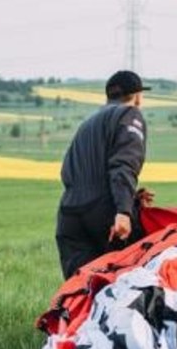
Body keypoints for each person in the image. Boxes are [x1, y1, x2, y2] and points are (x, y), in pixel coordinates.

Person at [56, 70, 151, 279]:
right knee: (125, 279)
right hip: (103, 211)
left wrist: (130, 197)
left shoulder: (88, 124)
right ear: (136, 96)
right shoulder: (129, 114)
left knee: (80, 286)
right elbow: (124, 164)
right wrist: (124, 210)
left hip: (70, 212)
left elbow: (70, 169)